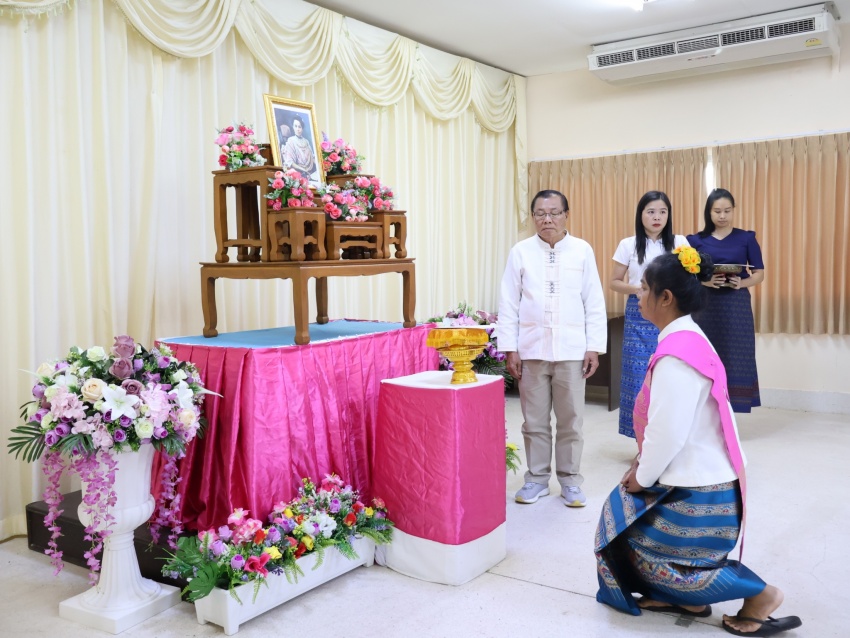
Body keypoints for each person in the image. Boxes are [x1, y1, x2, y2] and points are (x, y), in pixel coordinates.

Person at [594, 248, 801, 637]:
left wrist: (641, 476)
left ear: (665, 298)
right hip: (703, 480)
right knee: (617, 516)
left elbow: (667, 434)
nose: (638, 295)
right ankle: (683, 598)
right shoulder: (688, 336)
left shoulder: (676, 356)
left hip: (704, 492)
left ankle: (761, 594)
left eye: (644, 288)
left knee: (627, 541)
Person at [497, 189, 607, 508]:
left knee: (571, 420)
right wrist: (510, 348)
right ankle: (537, 479)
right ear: (533, 217)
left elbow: (593, 301)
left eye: (554, 213)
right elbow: (508, 303)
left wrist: (593, 347)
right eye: (541, 214)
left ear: (566, 215)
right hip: (531, 350)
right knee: (533, 421)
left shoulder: (582, 250)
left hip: (571, 350)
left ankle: (570, 480)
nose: (548, 219)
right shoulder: (520, 252)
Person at [610, 191, 689, 439]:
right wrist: (640, 289)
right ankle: (640, 442)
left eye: (663, 212)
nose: (657, 217)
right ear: (641, 215)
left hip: (671, 314)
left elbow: (689, 277)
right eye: (651, 212)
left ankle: (670, 439)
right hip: (639, 313)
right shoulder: (628, 244)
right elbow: (614, 282)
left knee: (671, 374)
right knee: (638, 377)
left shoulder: (680, 242)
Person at [687, 188, 764, 413]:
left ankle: (732, 411)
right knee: (705, 353)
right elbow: (686, 273)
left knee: (736, 354)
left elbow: (759, 273)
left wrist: (742, 283)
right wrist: (705, 281)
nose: (722, 216)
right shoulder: (695, 240)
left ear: (733, 210)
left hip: (736, 304)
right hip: (705, 305)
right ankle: (704, 410)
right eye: (717, 211)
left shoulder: (746, 238)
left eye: (727, 211)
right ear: (709, 212)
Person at [282, 116, 317, 180]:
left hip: (310, 173)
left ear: (302, 128)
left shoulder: (306, 141)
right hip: (298, 176)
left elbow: (312, 157)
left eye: (299, 127)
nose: (297, 129)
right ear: (293, 127)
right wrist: (303, 170)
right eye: (295, 126)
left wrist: (319, 167)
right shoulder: (291, 140)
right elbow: (290, 162)